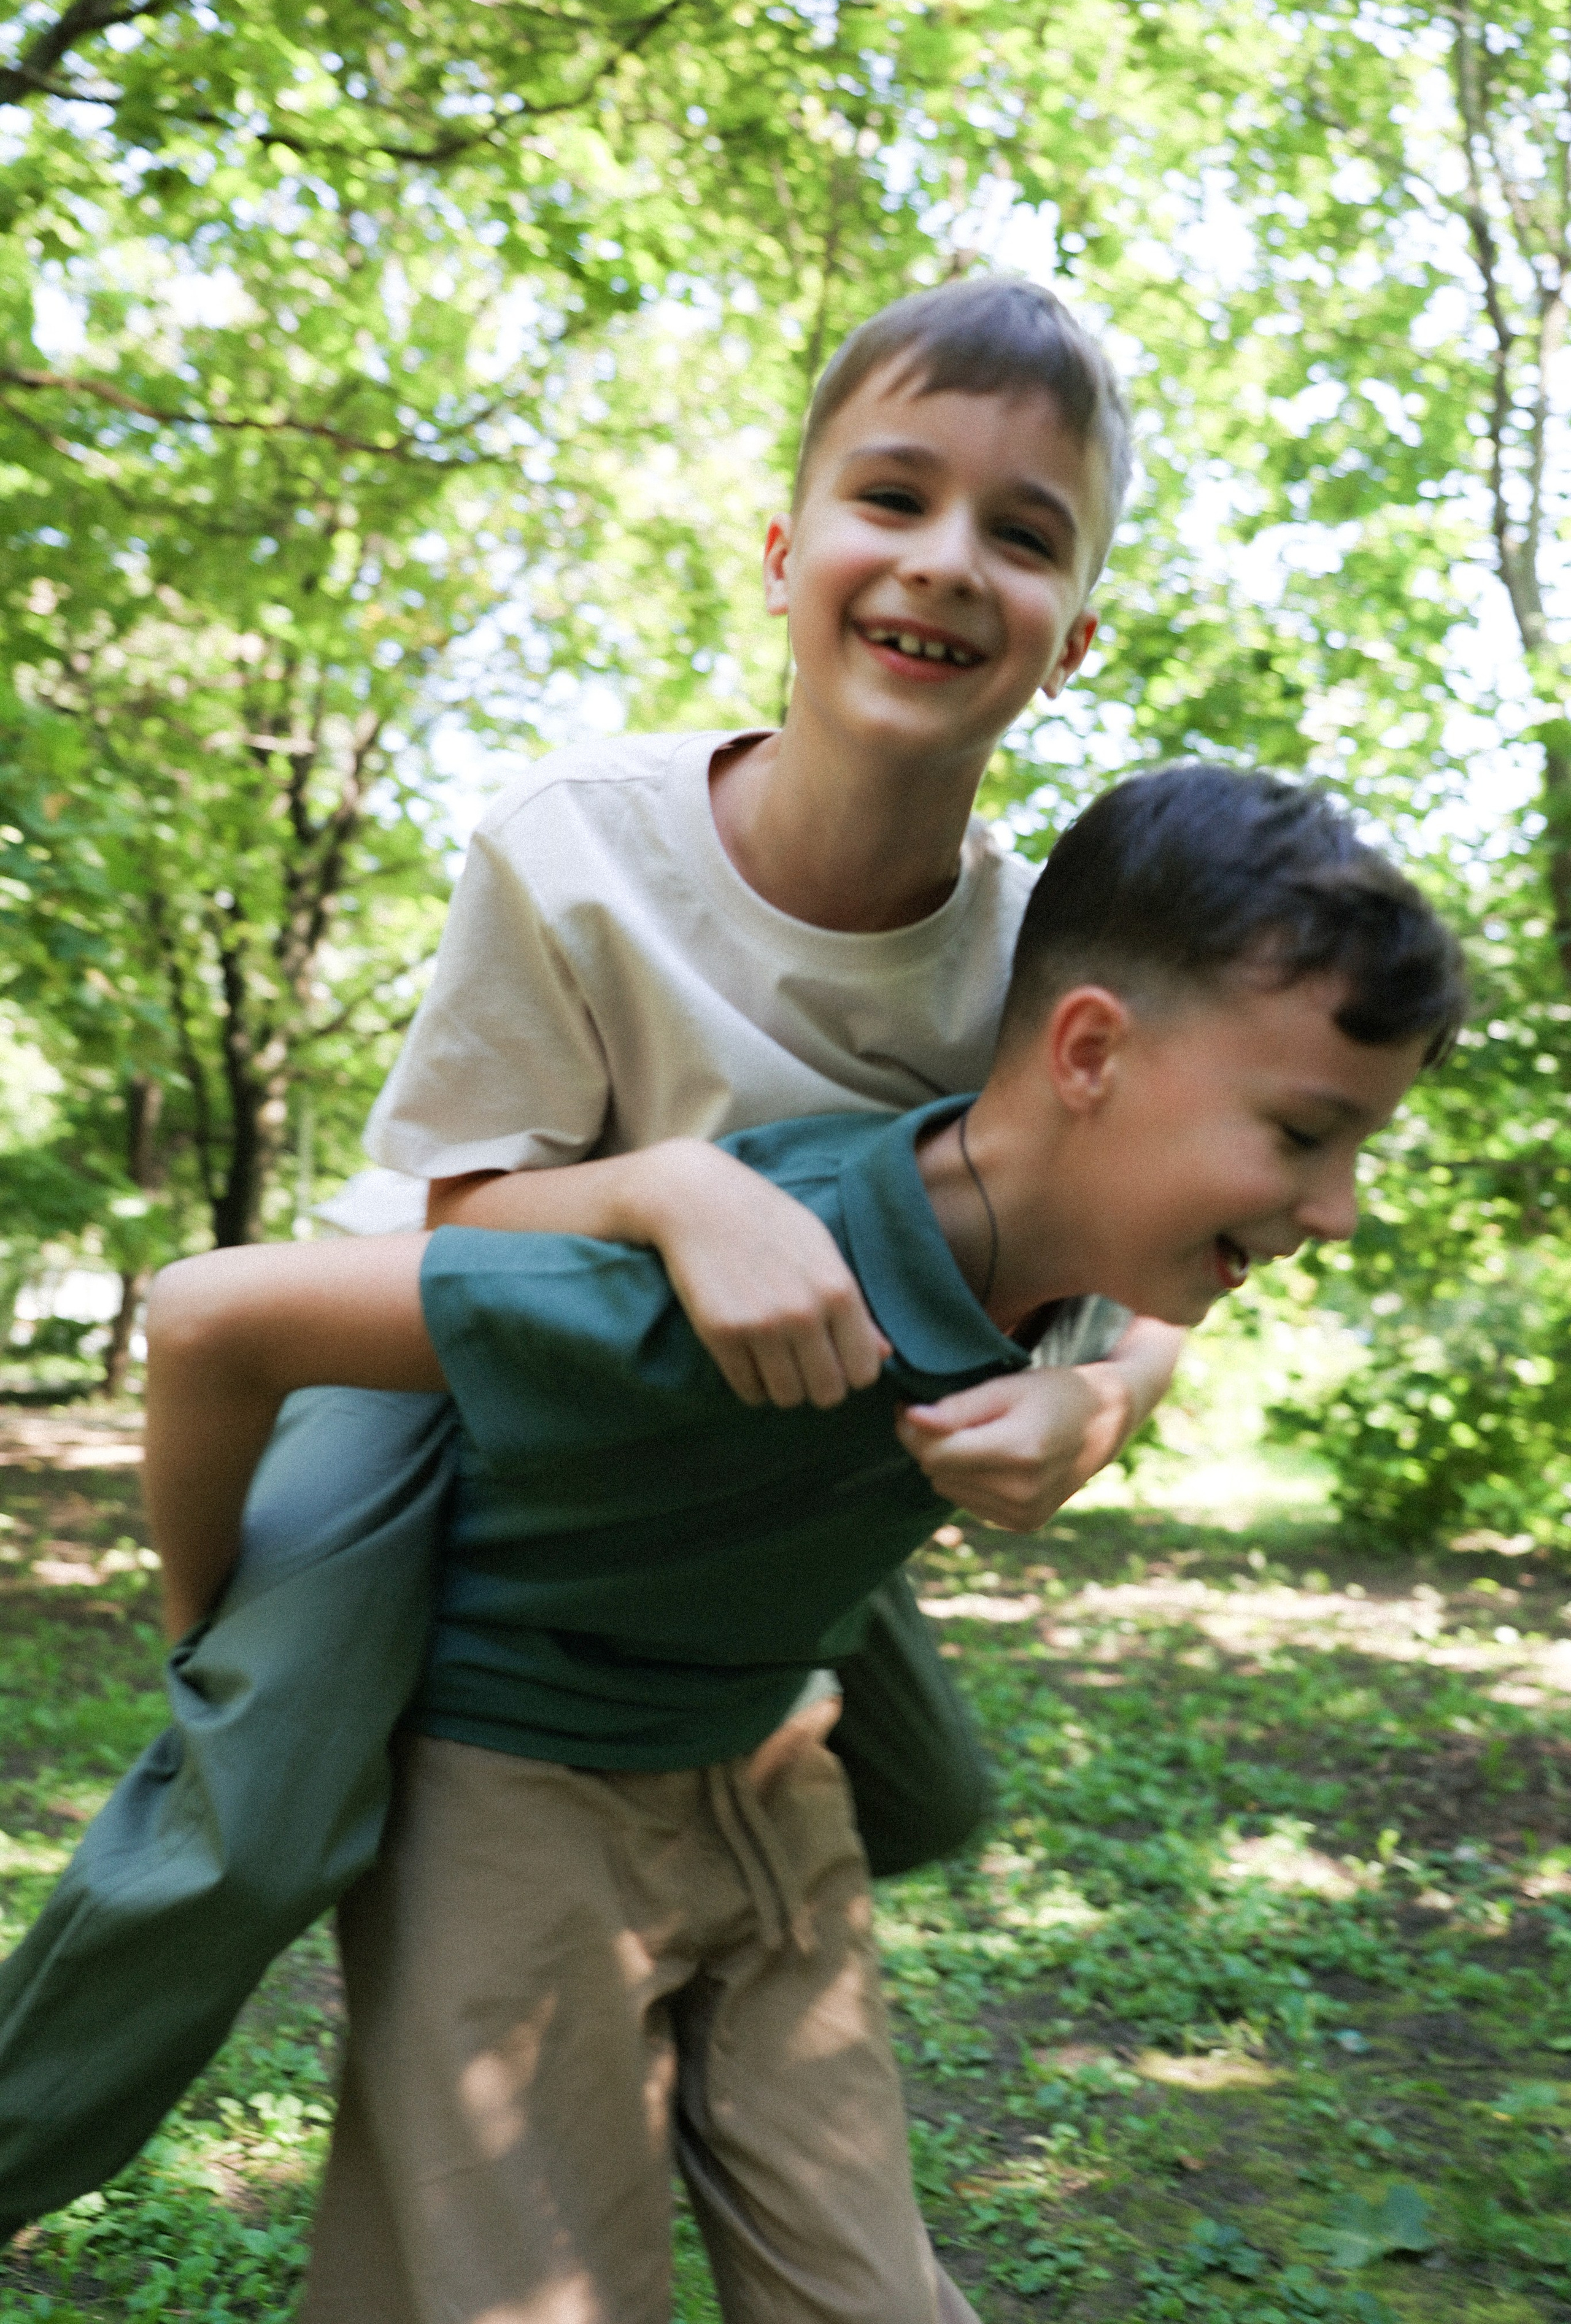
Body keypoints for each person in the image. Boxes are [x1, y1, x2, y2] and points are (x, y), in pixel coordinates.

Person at [0, 274, 1183, 2236]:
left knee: (938, 1795)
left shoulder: (1027, 964)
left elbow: (1138, 1243)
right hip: (441, 1367)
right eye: (895, 497)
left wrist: (1109, 1392)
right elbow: (464, 1214)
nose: (946, 561)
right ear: (786, 551)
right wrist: (665, 1189)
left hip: (726, 1440)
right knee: (259, 1811)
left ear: (1073, 642)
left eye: (1025, 532)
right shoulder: (579, 847)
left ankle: (682, 1959)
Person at [139, 763, 1467, 2324]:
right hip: (514, 1807)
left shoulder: (1085, 1238)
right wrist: (214, 1644)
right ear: (1088, 1053)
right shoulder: (756, 1284)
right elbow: (211, 1314)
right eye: (1305, 1135)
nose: (1338, 1210)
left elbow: (1136, 1317)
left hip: (776, 1780)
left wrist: (1104, 1394)